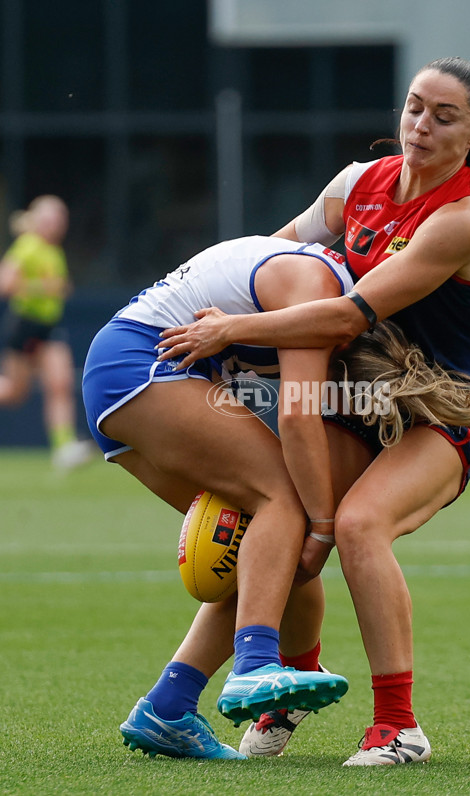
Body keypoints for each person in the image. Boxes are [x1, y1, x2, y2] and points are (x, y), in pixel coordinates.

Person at [156, 56, 470, 766]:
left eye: (444, 117)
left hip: (439, 410)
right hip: (357, 399)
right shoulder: (357, 184)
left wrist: (229, 330)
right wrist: (223, 306)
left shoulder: (463, 219)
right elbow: (273, 256)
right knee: (286, 518)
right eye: (414, 108)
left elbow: (350, 314)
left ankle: (399, 727)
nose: (421, 126)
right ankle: (295, 681)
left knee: (354, 523)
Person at [82, 234, 356, 761]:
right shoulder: (323, 287)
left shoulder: (309, 267)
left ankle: (169, 708)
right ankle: (256, 664)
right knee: (285, 500)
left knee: (261, 546)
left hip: (119, 373)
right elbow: (298, 416)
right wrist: (324, 525)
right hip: (143, 364)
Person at [0, 195, 95, 469]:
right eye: (51, 219)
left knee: (60, 384)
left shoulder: (53, 249)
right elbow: (6, 284)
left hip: (48, 326)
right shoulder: (27, 246)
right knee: (15, 392)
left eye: (61, 219)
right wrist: (44, 288)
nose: (57, 224)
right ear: (38, 220)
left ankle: (64, 446)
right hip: (27, 325)